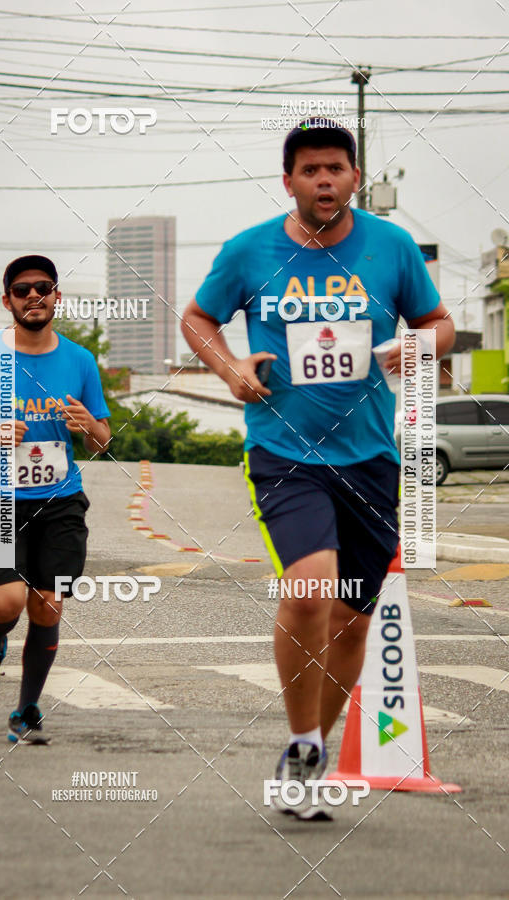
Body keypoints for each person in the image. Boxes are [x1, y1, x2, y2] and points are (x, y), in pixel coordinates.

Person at [182, 118, 455, 820]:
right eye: (311, 171)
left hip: (370, 457)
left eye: (336, 168)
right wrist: (230, 366)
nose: (325, 180)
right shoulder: (251, 252)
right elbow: (197, 320)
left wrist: (419, 347)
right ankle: (302, 739)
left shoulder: (390, 248)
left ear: (355, 178)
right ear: (290, 181)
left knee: (352, 623)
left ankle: (312, 752)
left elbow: (440, 322)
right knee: (309, 592)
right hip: (284, 451)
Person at [0, 255, 111, 744]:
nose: (33, 296)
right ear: (7, 301)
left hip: (61, 500)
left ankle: (27, 709)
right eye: (22, 290)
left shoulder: (80, 361)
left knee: (48, 606)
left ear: (57, 296)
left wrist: (90, 427)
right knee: (8, 602)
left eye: (43, 287)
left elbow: (102, 440)